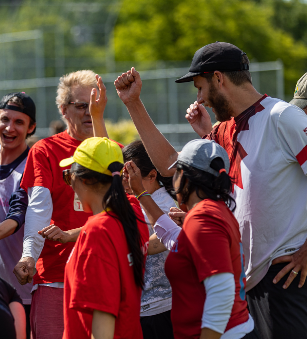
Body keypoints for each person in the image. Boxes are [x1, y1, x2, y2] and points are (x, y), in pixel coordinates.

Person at [113, 42, 307, 339]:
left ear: (219, 78)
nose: (200, 99)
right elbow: (172, 166)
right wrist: (133, 104)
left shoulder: (283, 117)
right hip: (249, 283)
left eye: (200, 87)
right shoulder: (225, 128)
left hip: (285, 278)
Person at [125, 139, 256, 339]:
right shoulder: (213, 211)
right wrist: (141, 193)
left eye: (175, 172)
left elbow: (221, 291)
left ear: (185, 178)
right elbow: (171, 237)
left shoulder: (203, 217)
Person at [12, 70, 105, 339]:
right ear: (64, 110)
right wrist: (29, 255)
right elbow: (38, 208)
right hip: (56, 277)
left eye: (95, 105)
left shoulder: (115, 150)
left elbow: (122, 212)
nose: (90, 112)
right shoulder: (45, 150)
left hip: (104, 275)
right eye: (82, 106)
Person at [59, 137, 149, 339]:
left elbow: (103, 318)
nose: (69, 183)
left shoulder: (98, 230)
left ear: (86, 180)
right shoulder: (132, 214)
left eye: (69, 176)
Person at [0, 92, 36, 338]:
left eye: (19, 122)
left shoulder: (33, 164)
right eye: (5, 119)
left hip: (25, 284)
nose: (9, 128)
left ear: (31, 127)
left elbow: (19, 210)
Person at [122, 140, 176, 339]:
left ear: (152, 175)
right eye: (122, 175)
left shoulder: (166, 205)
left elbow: (159, 240)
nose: (125, 181)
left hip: (160, 308)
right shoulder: (132, 200)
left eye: (131, 175)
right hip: (140, 308)